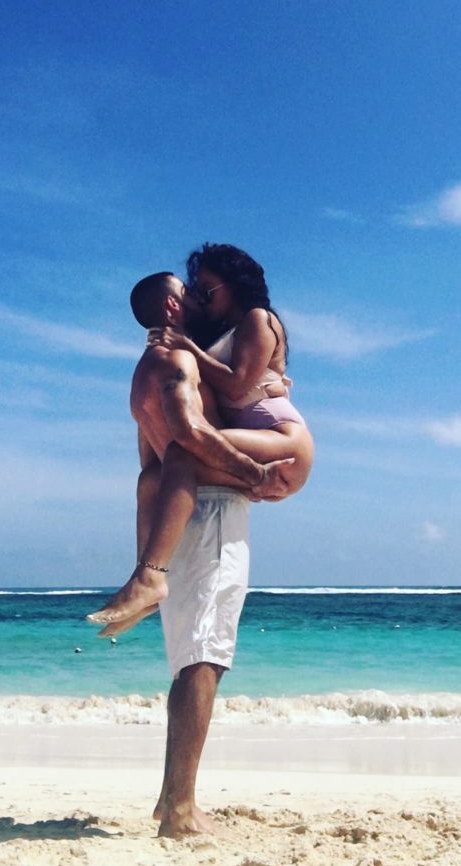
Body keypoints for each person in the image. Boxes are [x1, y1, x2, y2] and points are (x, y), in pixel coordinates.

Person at [98, 271, 294, 836]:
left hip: (177, 516)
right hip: (210, 513)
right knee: (205, 657)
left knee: (190, 658)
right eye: (189, 293)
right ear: (170, 306)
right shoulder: (178, 360)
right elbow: (187, 431)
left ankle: (170, 799)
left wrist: (149, 552)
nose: (200, 301)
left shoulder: (144, 371)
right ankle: (181, 810)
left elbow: (150, 468)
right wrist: (252, 473)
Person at [88, 244, 314, 635]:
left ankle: (150, 576)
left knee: (181, 454)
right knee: (151, 480)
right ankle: (144, 586)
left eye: (207, 290)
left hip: (282, 438)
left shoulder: (257, 318)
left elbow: (238, 383)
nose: (201, 299)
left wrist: (186, 345)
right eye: (196, 291)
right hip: (247, 438)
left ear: (235, 284)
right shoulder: (212, 334)